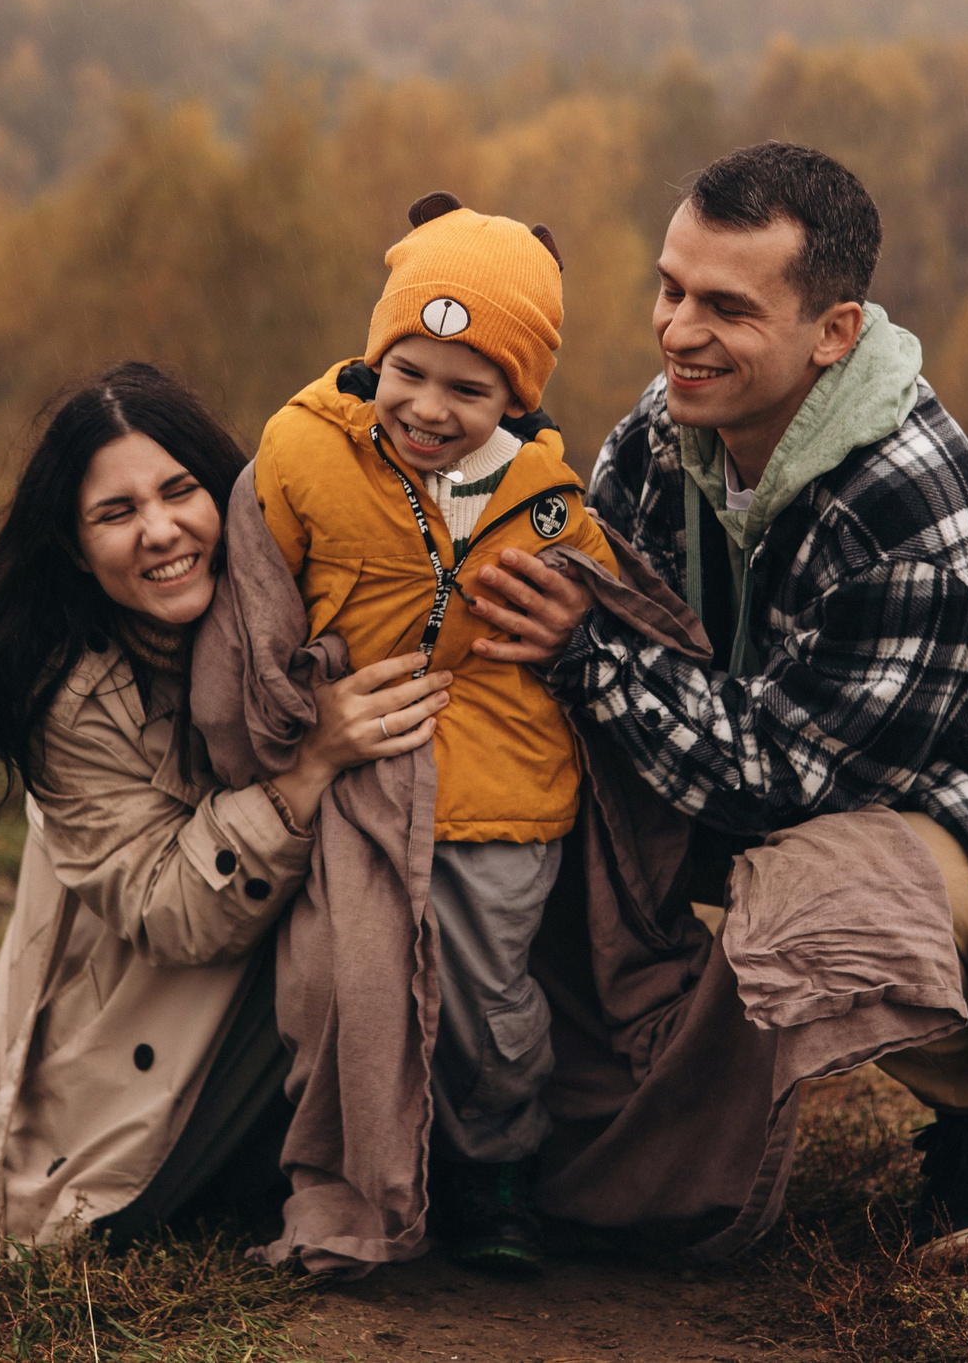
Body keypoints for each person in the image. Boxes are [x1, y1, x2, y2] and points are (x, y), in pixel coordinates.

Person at [463, 142, 968, 1263]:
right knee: (527, 795)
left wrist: (589, 658)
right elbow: (610, 634)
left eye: (727, 308)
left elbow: (790, 781)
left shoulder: (908, 502)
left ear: (832, 332)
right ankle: (558, 1108)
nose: (678, 331)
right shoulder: (663, 433)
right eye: (671, 289)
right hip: (769, 755)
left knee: (807, 909)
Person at [0, 361, 455, 1274]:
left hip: (257, 1009)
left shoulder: (290, 591)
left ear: (229, 496)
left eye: (178, 491)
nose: (160, 531)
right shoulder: (74, 698)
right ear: (76, 547)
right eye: (115, 512)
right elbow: (172, 910)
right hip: (152, 1054)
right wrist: (311, 764)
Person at [251, 192, 617, 1273]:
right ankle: (360, 1173)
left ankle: (496, 1169)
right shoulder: (304, 450)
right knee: (345, 987)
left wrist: (581, 613)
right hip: (360, 776)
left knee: (487, 999)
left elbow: (604, 604)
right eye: (408, 371)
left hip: (502, 792)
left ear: (518, 395)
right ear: (376, 356)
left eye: (470, 388)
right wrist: (280, 713)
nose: (429, 407)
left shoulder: (544, 495)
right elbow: (256, 594)